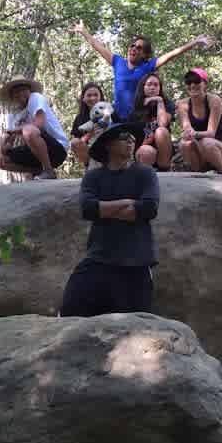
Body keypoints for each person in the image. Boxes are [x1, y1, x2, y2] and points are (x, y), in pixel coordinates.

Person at [60, 116, 158, 316]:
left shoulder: (145, 174)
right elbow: (87, 209)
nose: (130, 140)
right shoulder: (94, 177)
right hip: (99, 259)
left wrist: (103, 210)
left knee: (136, 326)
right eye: (124, 137)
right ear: (108, 144)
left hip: (136, 262)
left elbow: (148, 209)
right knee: (70, 311)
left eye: (132, 138)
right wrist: (127, 202)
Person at [73, 21, 214, 122]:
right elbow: (97, 46)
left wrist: (195, 42)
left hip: (138, 117)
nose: (134, 48)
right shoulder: (117, 62)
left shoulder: (148, 66)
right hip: (117, 116)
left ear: (145, 55)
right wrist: (83, 31)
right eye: (133, 45)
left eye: (139, 48)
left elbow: (173, 54)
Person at [0, 76, 69, 180]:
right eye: (16, 92)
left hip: (57, 148)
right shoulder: (13, 115)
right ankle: (37, 172)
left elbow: (39, 123)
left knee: (29, 130)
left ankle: (48, 171)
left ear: (29, 90)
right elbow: (9, 139)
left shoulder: (35, 98)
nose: (20, 93)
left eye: (23, 90)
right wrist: (0, 152)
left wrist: (16, 129)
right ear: (12, 96)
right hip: (35, 152)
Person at [176, 68, 222, 174]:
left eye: (197, 81)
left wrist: (193, 134)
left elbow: (211, 133)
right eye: (188, 82)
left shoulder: (214, 100)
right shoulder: (182, 104)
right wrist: (188, 135)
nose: (192, 85)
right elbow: (187, 131)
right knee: (184, 144)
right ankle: (197, 173)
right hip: (198, 151)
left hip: (221, 148)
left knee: (207, 142)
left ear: (205, 84)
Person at [128, 72, 176, 171]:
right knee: (146, 151)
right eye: (149, 84)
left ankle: (164, 168)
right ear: (143, 87)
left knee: (161, 131)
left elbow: (162, 123)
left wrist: (159, 101)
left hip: (164, 152)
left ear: (160, 88)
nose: (152, 87)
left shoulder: (167, 104)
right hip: (144, 150)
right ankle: (147, 177)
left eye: (156, 85)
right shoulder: (136, 109)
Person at [69, 81, 106, 166]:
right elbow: (77, 142)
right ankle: (90, 168)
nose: (92, 98)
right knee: (74, 142)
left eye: (96, 95)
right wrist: (90, 134)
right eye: (89, 95)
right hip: (90, 151)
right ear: (83, 98)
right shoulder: (79, 118)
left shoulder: (109, 112)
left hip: (109, 149)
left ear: (100, 97)